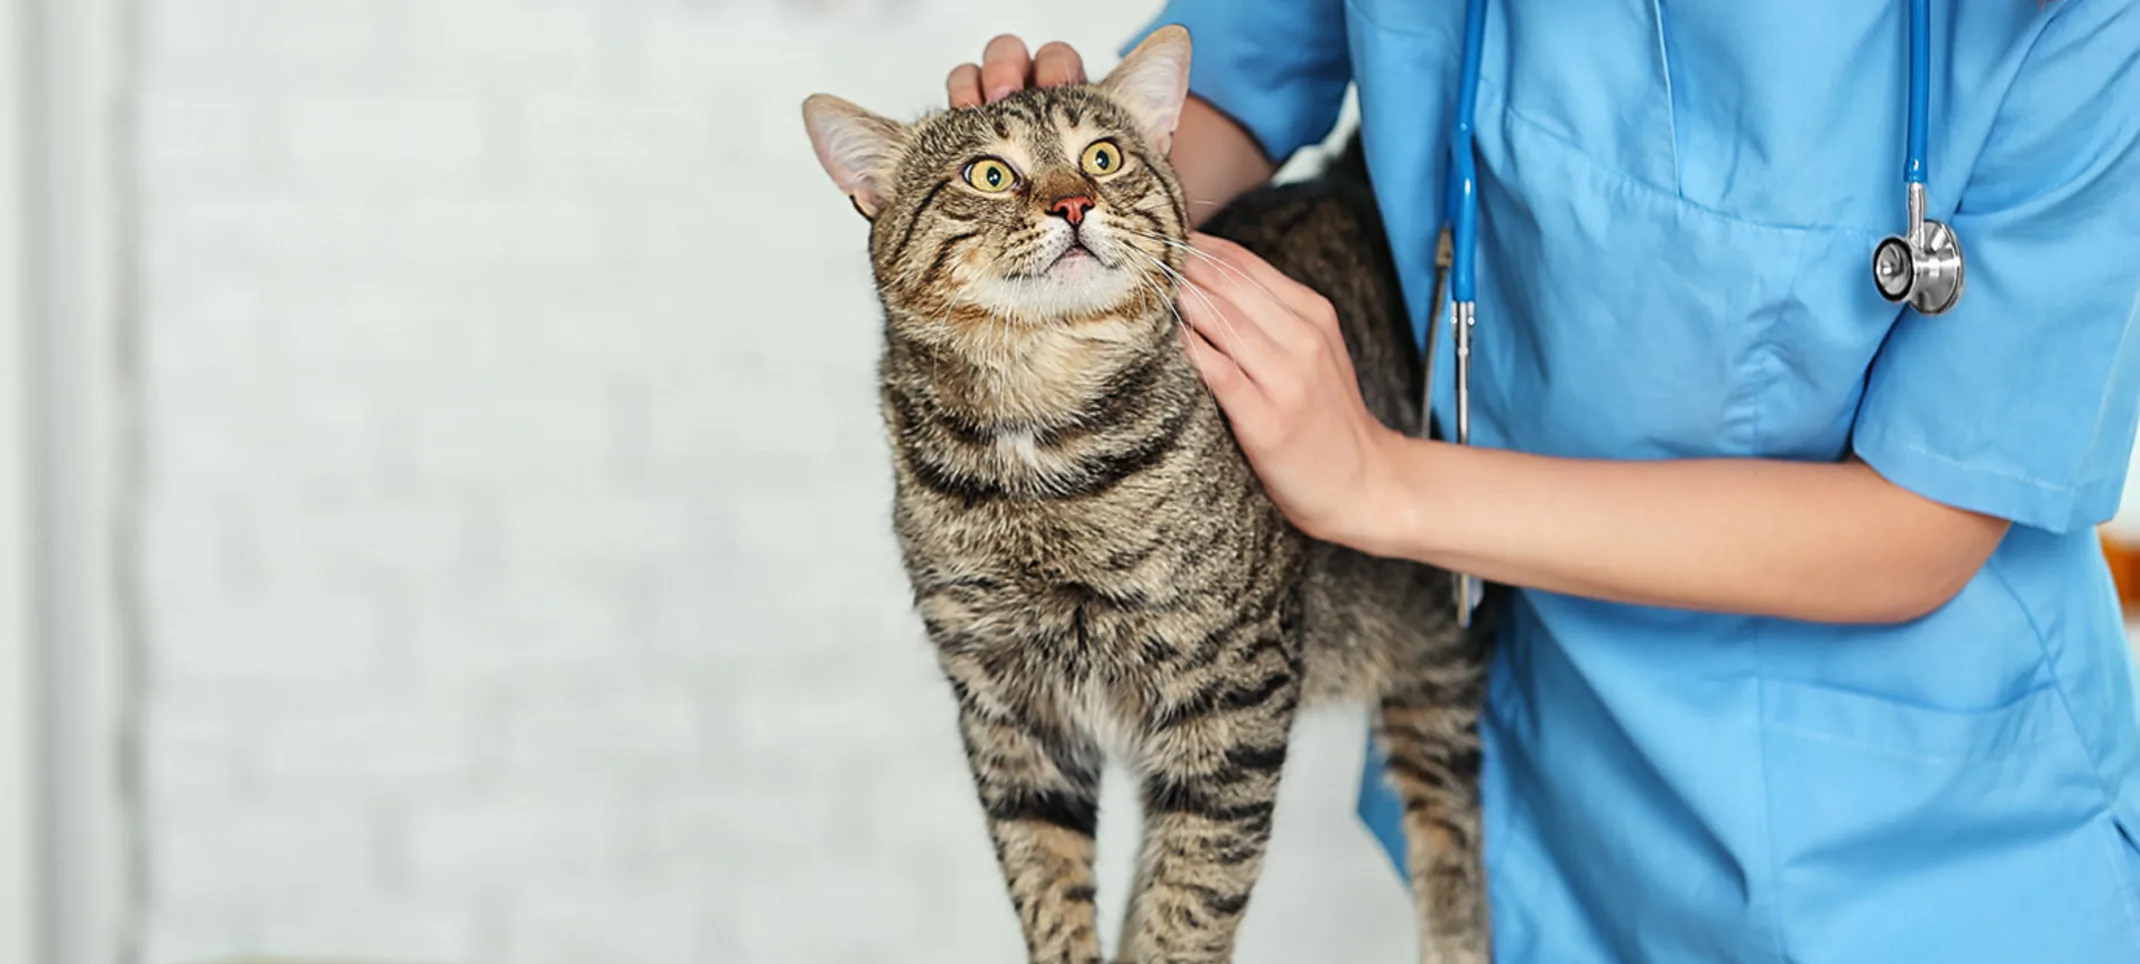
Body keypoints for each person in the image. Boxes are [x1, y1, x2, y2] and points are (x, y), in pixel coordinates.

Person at [943, 2, 2140, 962]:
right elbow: (1229, 85)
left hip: (1924, 845)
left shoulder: (2071, 25)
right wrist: (1037, 189)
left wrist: (1382, 485)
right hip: (1532, 783)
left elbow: (1919, 526)